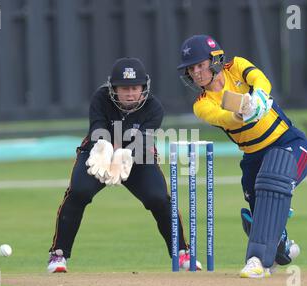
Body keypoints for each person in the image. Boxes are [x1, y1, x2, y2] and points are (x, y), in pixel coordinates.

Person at [47, 57, 201, 273]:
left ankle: (182, 252)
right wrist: (106, 149)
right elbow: (97, 129)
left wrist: (125, 154)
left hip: (136, 157)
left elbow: (144, 140)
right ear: (113, 88)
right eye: (124, 88)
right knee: (78, 192)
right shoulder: (101, 98)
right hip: (100, 154)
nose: (130, 93)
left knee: (159, 198)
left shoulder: (154, 107)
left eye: (135, 88)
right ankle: (58, 254)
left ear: (143, 87)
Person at [177, 35, 307, 278]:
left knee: (274, 178)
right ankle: (280, 247)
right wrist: (243, 113)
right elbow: (222, 117)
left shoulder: (236, 66)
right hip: (252, 158)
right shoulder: (202, 103)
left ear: (215, 60)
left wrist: (259, 97)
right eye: (191, 68)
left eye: (200, 65)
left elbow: (260, 79)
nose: (196, 72)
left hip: (290, 143)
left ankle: (257, 261)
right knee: (261, 199)